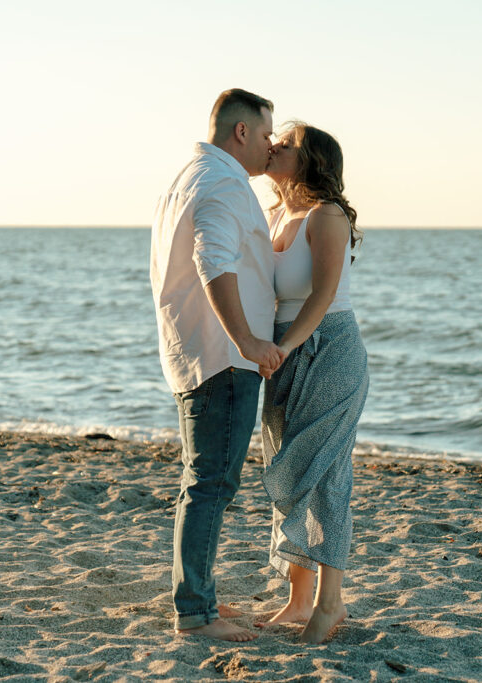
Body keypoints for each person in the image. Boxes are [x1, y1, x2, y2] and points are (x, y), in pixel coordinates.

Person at [150, 88, 285, 642]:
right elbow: (213, 262)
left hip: (198, 351)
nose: (272, 144)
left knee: (203, 481)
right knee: (210, 483)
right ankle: (196, 615)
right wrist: (249, 341)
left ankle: (198, 600)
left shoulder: (190, 177)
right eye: (267, 133)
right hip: (222, 357)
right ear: (241, 132)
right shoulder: (223, 184)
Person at [255, 122, 369, 643]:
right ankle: (298, 600)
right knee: (286, 467)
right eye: (273, 137)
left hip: (327, 349)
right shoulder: (278, 213)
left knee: (326, 476)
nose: (275, 144)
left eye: (288, 143)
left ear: (312, 160)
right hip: (287, 350)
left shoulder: (327, 216)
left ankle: (330, 603)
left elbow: (322, 297)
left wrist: (285, 346)